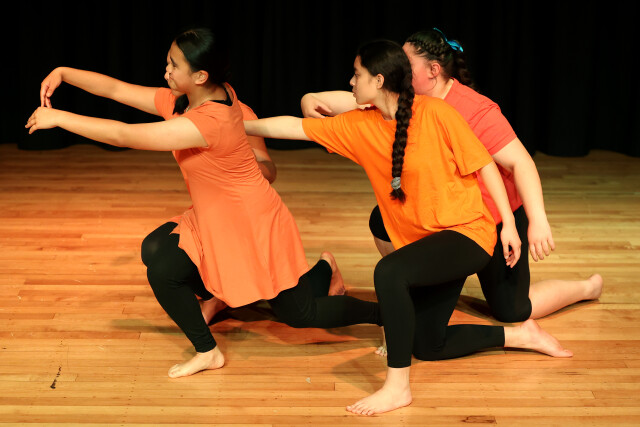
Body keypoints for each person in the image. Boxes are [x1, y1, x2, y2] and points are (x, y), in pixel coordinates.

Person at [26, 28, 381, 379]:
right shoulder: (187, 99)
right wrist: (63, 73)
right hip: (215, 218)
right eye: (168, 62)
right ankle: (208, 350)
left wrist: (59, 118)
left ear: (200, 76)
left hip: (251, 224)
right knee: (160, 259)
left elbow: (123, 135)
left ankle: (382, 312)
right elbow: (117, 90)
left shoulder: (211, 120)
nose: (166, 70)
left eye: (174, 65)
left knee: (300, 315)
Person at [244, 39, 573, 416]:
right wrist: (238, 125)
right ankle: (519, 334)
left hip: (468, 232)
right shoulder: (359, 125)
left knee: (390, 272)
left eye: (356, 74)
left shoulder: (437, 113)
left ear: (378, 80)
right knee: (427, 344)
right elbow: (294, 127)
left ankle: (397, 388)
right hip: (429, 240)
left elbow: (485, 165)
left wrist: (510, 226)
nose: (351, 81)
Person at [300, 28, 602, 327]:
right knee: (383, 219)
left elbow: (521, 162)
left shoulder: (476, 110)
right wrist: (310, 98)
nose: (397, 68)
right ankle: (413, 289)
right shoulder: (406, 99)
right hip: (442, 218)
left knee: (513, 309)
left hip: (490, 221)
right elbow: (356, 100)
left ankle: (587, 288)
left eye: (407, 64)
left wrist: (537, 220)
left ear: (433, 71)